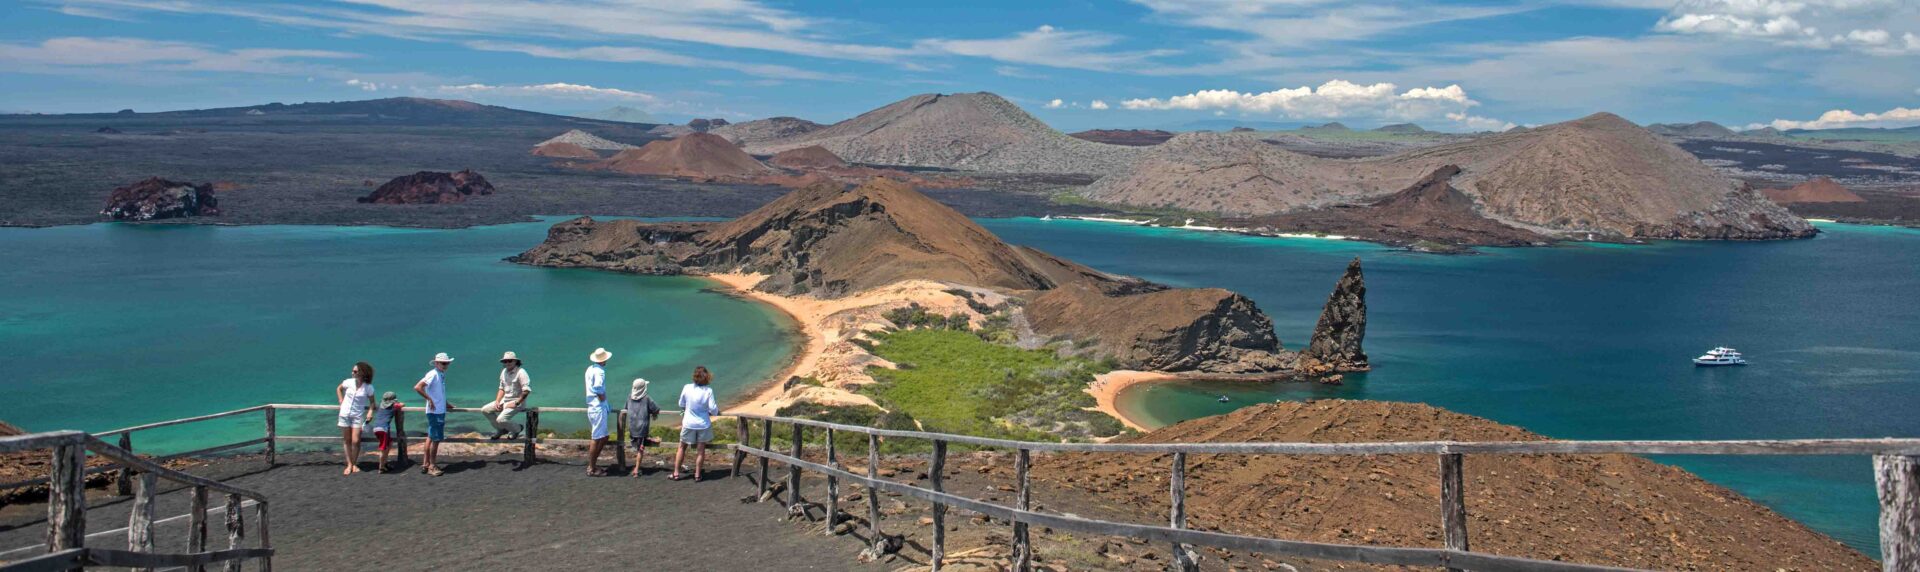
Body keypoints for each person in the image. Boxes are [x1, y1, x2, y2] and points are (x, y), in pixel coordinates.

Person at [671, 366, 720, 482]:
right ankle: (697, 475)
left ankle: (676, 473)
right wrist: (715, 412)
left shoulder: (687, 388)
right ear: (706, 377)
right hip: (703, 424)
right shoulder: (708, 391)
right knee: (700, 450)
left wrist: (686, 408)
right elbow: (713, 409)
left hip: (688, 423)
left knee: (682, 447)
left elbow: (681, 403)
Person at [413, 352, 453, 477]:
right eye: (443, 363)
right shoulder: (433, 374)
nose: (445, 365)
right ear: (436, 363)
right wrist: (429, 399)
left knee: (430, 437)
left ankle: (425, 464)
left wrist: (446, 403)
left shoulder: (440, 374)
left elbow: (439, 392)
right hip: (436, 412)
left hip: (438, 410)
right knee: (435, 440)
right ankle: (432, 466)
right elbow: (418, 387)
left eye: (447, 363)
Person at [336, 362, 376, 476]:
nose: (352, 373)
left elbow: (372, 402)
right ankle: (349, 464)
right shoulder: (348, 382)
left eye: (355, 371)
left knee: (356, 441)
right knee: (347, 440)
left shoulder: (368, 387)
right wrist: (340, 400)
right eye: (353, 371)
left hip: (357, 416)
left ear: (362, 372)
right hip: (344, 414)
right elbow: (338, 388)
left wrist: (370, 411)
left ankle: (354, 463)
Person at [482, 351, 532, 440]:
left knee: (501, 419)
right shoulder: (504, 372)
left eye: (510, 361)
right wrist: (497, 401)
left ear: (515, 361)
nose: (507, 363)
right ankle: (501, 429)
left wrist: (516, 403)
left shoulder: (521, 372)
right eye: (505, 361)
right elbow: (501, 388)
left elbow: (526, 391)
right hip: (504, 400)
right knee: (485, 410)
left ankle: (517, 429)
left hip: (517, 401)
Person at [584, 348, 613, 476]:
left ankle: (593, 464)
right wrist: (604, 402)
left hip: (592, 406)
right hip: (597, 407)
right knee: (596, 437)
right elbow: (598, 388)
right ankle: (592, 467)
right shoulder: (600, 372)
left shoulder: (590, 369)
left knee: (603, 436)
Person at [625, 378, 661, 477]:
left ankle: (634, 466)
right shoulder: (647, 398)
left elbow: (626, 408)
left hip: (632, 427)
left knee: (636, 447)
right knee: (640, 450)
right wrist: (654, 414)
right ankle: (636, 469)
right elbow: (656, 409)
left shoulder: (629, 397)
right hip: (642, 428)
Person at [367, 391, 404, 473]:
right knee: (383, 449)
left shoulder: (380, 405)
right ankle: (381, 467)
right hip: (384, 429)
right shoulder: (394, 406)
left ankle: (384, 463)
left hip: (376, 428)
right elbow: (402, 404)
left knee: (389, 443)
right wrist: (397, 403)